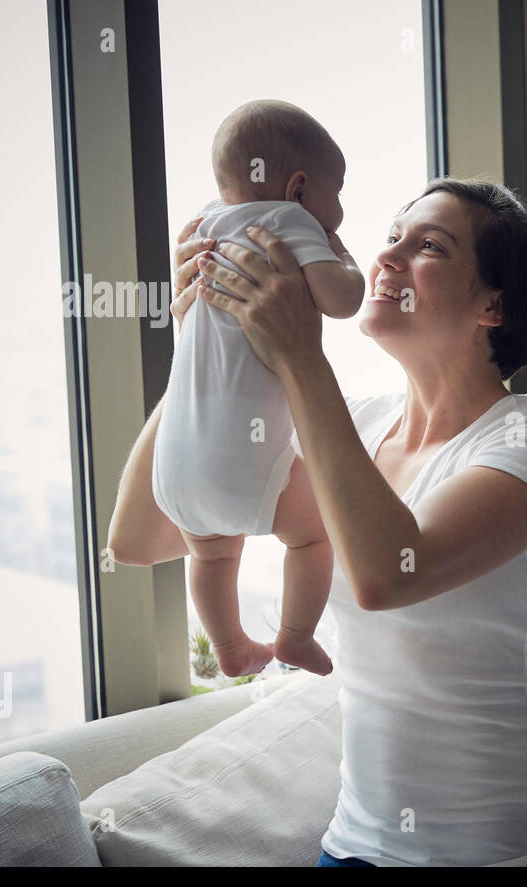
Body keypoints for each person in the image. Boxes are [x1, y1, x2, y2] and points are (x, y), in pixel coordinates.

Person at [107, 177, 527, 866]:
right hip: (358, 840)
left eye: (427, 245)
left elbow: (389, 574)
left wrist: (302, 358)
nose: (387, 258)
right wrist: (199, 344)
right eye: (391, 237)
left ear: (494, 304)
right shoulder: (358, 426)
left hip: (512, 846)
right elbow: (142, 536)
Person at [151, 100, 367, 678]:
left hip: (173, 466)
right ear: (298, 188)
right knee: (314, 535)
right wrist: (340, 255)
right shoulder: (291, 221)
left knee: (212, 552)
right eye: (337, 191)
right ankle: (294, 637)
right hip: (241, 461)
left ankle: (229, 648)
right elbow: (344, 300)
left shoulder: (202, 229)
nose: (339, 210)